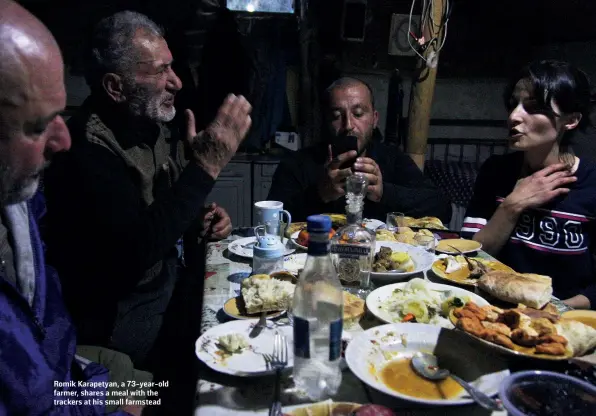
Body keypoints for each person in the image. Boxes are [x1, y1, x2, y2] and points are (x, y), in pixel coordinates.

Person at [42, 10, 251, 412]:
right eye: (160, 72)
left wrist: (199, 217)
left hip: (169, 293)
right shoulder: (84, 154)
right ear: (115, 87)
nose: (176, 82)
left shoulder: (150, 126)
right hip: (119, 328)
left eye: (172, 66)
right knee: (207, 395)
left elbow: (163, 214)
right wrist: (204, 167)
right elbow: (133, 252)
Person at [0, 1, 151, 414]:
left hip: (74, 376)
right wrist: (109, 408)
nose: (63, 142)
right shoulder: (90, 155)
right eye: (36, 126)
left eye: (60, 115)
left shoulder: (19, 200)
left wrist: (93, 391)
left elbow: (49, 334)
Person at [462, 60, 596, 310]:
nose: (514, 116)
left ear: (571, 120)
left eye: (533, 107)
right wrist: (512, 205)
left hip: (565, 323)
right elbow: (468, 254)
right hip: (492, 310)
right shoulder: (496, 171)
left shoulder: (591, 184)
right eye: (514, 105)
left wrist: (555, 310)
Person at [268, 77, 452, 223]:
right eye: (336, 116)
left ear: (374, 119)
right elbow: (273, 220)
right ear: (326, 122)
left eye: (358, 114)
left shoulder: (391, 158)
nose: (348, 125)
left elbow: (442, 208)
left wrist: (384, 193)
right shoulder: (297, 164)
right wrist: (319, 194)